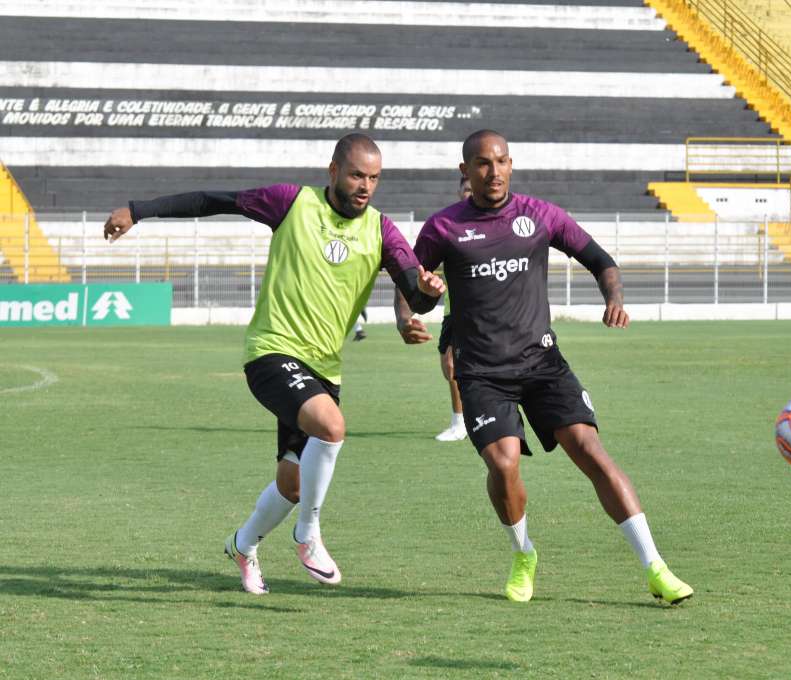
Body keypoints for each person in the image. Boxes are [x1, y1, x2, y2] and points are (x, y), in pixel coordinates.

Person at [103, 133, 445, 594]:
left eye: (374, 177)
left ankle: (242, 546)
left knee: (292, 485)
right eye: (357, 174)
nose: (366, 185)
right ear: (333, 171)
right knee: (333, 427)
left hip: (324, 368)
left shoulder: (382, 230)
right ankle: (308, 536)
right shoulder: (291, 203)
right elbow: (213, 200)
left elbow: (414, 291)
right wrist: (139, 210)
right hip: (271, 351)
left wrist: (426, 293)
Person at [394, 130, 693, 604]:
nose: (493, 172)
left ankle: (656, 567)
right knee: (503, 462)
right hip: (481, 372)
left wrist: (614, 299)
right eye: (482, 164)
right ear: (465, 171)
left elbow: (600, 260)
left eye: (501, 162)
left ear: (511, 164)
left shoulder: (539, 215)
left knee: (591, 451)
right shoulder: (443, 227)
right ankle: (523, 554)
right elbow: (412, 287)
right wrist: (410, 313)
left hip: (542, 362)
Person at [433, 176, 473, 441]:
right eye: (466, 189)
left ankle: (461, 423)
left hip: (474, 310)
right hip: (451, 309)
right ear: (459, 191)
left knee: (452, 363)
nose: (469, 194)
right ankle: (466, 420)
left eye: (473, 189)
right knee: (448, 367)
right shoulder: (450, 225)